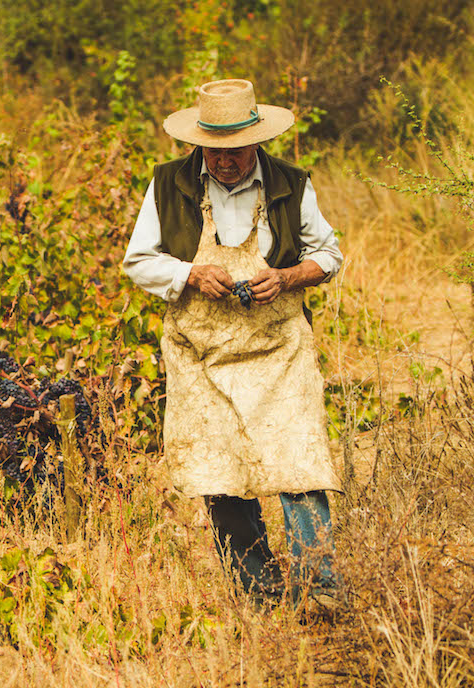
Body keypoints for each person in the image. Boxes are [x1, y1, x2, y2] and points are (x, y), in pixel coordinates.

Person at [122, 79, 343, 608]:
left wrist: (288, 279)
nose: (223, 163)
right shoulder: (167, 185)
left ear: (256, 141)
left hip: (279, 350)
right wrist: (191, 274)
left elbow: (329, 254)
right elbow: (138, 260)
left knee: (300, 464)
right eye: (212, 152)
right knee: (217, 472)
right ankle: (258, 592)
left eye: (234, 152)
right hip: (200, 355)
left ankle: (317, 592)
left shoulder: (291, 183)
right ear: (199, 143)